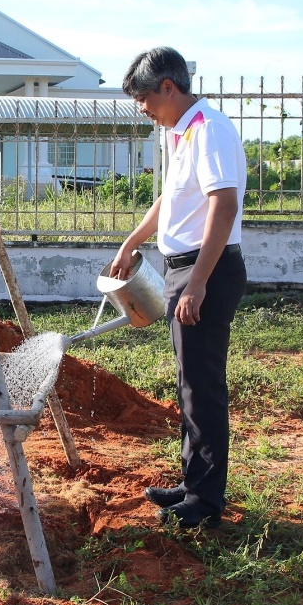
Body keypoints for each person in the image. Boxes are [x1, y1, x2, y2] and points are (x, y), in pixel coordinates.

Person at [110, 47, 247, 530]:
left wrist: (199, 284)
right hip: (183, 269)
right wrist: (131, 242)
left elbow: (223, 207)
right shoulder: (179, 132)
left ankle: (206, 501)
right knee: (190, 384)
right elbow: (171, 198)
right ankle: (194, 483)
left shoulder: (209, 129)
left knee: (203, 387)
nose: (142, 108)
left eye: (145, 97)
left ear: (169, 86)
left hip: (204, 271)